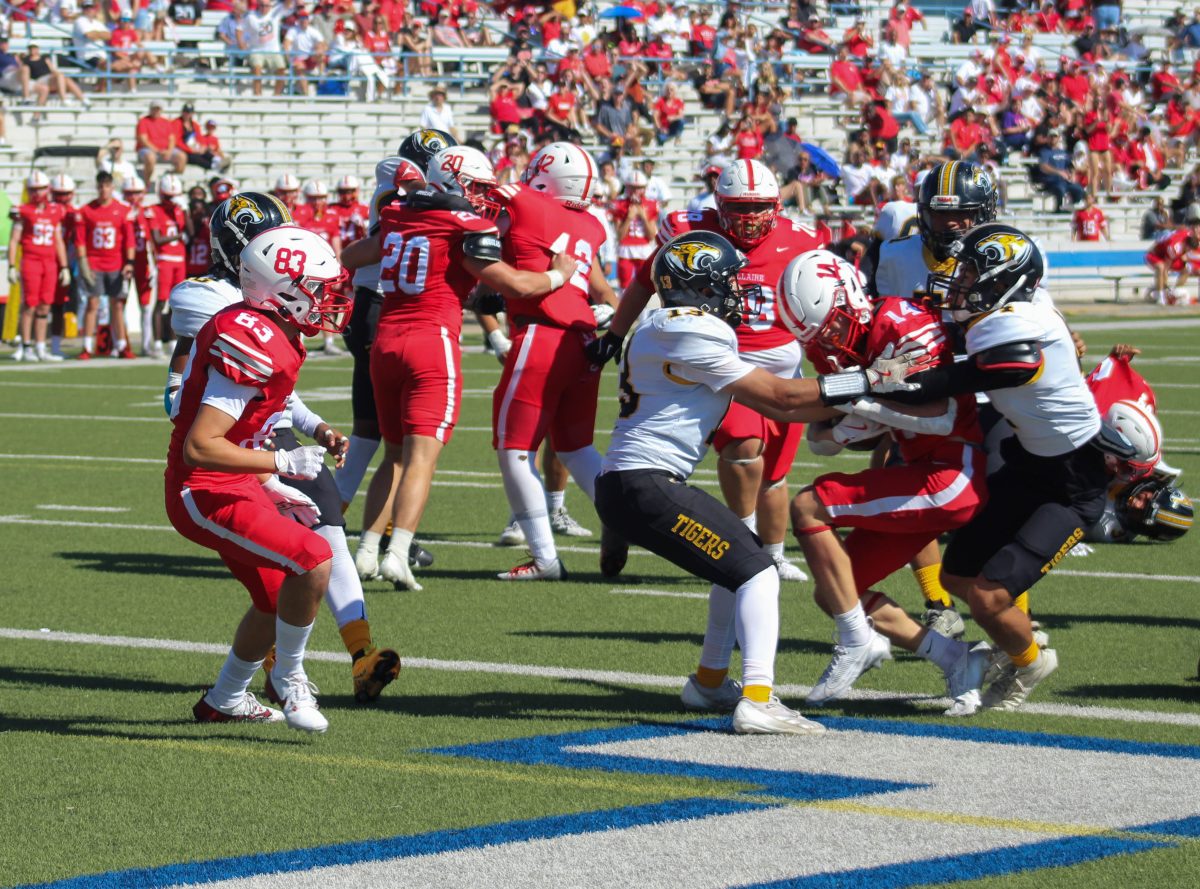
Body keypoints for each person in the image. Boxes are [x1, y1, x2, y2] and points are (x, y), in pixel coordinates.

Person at [594, 229, 921, 732]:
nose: (735, 293)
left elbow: (783, 399)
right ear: (695, 288)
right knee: (759, 571)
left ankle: (708, 683)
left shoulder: (669, 327)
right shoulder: (685, 329)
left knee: (738, 561)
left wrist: (859, 398)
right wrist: (870, 379)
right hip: (644, 482)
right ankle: (759, 699)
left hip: (637, 482)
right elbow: (779, 398)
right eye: (723, 282)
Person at [166, 197, 402, 708]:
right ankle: (281, 669)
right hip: (239, 450)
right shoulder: (214, 302)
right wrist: (267, 458)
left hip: (275, 440)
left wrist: (315, 428)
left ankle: (356, 651)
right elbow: (191, 399)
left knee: (325, 530)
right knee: (296, 560)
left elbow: (277, 390)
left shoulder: (275, 306)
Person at [886, 223, 1108, 713]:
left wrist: (895, 381)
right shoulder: (1006, 315)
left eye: (970, 272)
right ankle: (1019, 639)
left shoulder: (1011, 323)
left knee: (987, 597)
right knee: (956, 574)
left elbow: (967, 375)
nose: (959, 280)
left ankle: (1029, 662)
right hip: (1032, 462)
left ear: (1006, 279)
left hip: (1075, 480)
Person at [342, 146, 576, 590]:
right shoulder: (465, 223)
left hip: (385, 343)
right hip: (432, 342)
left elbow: (354, 256)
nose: (486, 196)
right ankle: (397, 553)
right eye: (480, 187)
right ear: (457, 182)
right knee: (420, 460)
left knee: (392, 456)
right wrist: (558, 275)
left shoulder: (395, 213)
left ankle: (367, 551)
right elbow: (516, 284)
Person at [590, 159, 828, 582]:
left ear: (777, 205)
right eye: (738, 207)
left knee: (774, 474)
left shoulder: (803, 239)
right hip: (714, 363)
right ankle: (747, 545)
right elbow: (645, 280)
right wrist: (615, 332)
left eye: (758, 208)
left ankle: (771, 552)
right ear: (719, 203)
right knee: (744, 449)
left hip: (781, 363)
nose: (750, 217)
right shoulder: (690, 232)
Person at [777, 251, 991, 711]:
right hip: (921, 471)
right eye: (818, 336)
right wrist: (858, 403)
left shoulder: (903, 324)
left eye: (832, 327)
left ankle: (857, 641)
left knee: (808, 505)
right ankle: (956, 659)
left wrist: (860, 402)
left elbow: (942, 415)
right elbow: (825, 440)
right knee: (838, 589)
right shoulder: (851, 343)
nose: (829, 343)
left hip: (953, 473)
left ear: (851, 298)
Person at [167, 225, 346, 733]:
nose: (328, 299)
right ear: (283, 289)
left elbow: (253, 421)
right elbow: (201, 444)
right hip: (202, 487)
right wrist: (282, 465)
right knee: (313, 559)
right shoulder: (250, 335)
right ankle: (289, 679)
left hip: (234, 480)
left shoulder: (270, 330)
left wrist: (271, 483)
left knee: (275, 597)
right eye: (318, 286)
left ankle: (224, 698)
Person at [487, 142, 618, 580]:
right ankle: (622, 521)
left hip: (541, 333)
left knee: (514, 450)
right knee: (578, 448)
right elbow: (602, 288)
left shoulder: (521, 201)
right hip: (584, 341)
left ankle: (544, 558)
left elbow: (480, 212)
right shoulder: (590, 223)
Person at [7, 172, 70, 363]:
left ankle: (41, 346)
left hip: (50, 262)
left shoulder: (55, 210)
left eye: (40, 188)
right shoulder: (24, 210)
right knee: (30, 305)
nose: (37, 193)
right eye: (33, 189)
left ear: (47, 189)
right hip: (31, 261)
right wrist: (11, 265)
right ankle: (26, 345)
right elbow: (14, 240)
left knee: (45, 305)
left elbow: (58, 241)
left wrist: (64, 266)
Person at [76, 171, 133, 360]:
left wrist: (129, 263)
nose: (103, 190)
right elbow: (81, 240)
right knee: (92, 303)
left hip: (116, 263)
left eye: (107, 186)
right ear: (97, 187)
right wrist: (83, 262)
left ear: (112, 188)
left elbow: (129, 240)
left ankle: (122, 345)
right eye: (100, 186)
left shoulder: (122, 210)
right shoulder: (87, 210)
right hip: (94, 263)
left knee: (117, 305)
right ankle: (86, 346)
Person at [146, 174, 187, 358]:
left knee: (176, 304)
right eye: (168, 196)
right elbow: (158, 239)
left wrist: (185, 210)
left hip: (180, 260)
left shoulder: (179, 210)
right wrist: (178, 236)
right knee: (161, 302)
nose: (171, 200)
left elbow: (190, 232)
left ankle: (172, 342)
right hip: (164, 259)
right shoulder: (154, 210)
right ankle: (156, 343)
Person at [136, 100, 187, 186]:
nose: (156, 111)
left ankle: (172, 180)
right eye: (154, 109)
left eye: (158, 109)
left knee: (182, 157)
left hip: (164, 150)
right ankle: (146, 182)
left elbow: (172, 139)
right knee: (150, 157)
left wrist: (169, 151)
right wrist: (158, 151)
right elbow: (143, 140)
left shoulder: (166, 122)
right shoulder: (143, 121)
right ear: (150, 109)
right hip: (149, 150)